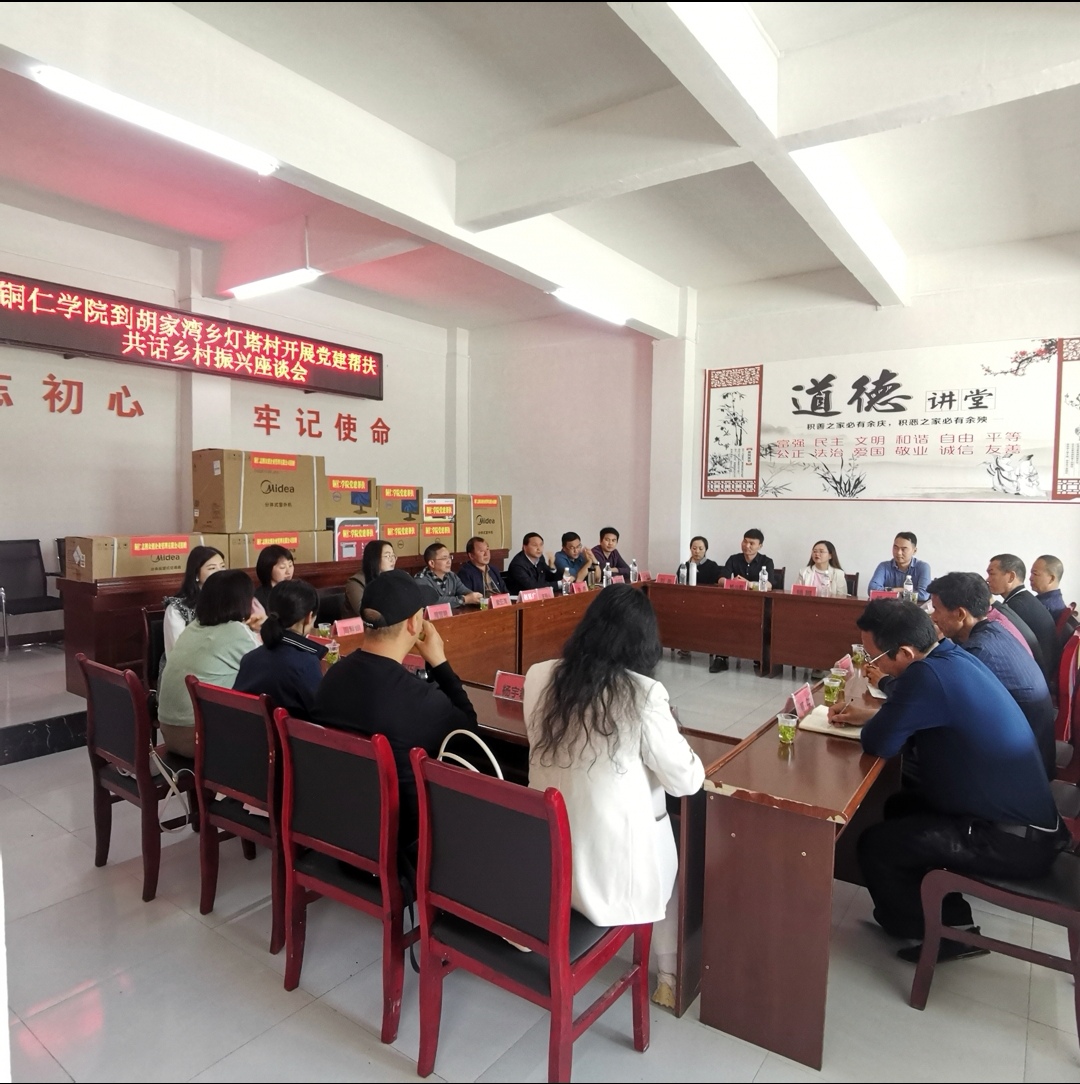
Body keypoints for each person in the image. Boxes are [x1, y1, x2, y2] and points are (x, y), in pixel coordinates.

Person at [829, 600, 1065, 962]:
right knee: (898, 805)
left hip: (1013, 842)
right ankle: (929, 910)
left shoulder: (925, 676)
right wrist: (875, 714)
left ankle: (950, 934)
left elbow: (879, 743)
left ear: (905, 653)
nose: (872, 666)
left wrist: (879, 719)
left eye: (874, 658)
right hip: (1026, 824)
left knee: (877, 844)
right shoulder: (951, 656)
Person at [523, 585, 704, 1008]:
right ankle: (669, 974)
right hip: (608, 871)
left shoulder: (539, 675)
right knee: (672, 842)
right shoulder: (644, 693)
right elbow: (685, 781)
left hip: (546, 857)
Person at [314, 570, 478, 856]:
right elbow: (468, 737)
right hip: (401, 844)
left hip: (335, 825)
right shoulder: (420, 699)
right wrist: (439, 662)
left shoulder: (332, 677)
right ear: (414, 623)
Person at [924, 572, 1055, 777]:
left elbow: (939, 704)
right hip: (1031, 751)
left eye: (937, 610)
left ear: (960, 614)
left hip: (1019, 768)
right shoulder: (995, 629)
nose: (933, 617)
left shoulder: (979, 652)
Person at [156, 569, 262, 757]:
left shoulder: (193, 627)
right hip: (200, 738)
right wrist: (265, 623)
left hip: (169, 732)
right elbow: (269, 667)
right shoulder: (237, 632)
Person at [234, 579, 327, 720]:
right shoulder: (304, 664)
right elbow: (321, 714)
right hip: (288, 734)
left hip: (247, 731)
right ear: (309, 617)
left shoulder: (249, 658)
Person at [987, 553, 1060, 683]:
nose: (987, 579)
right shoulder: (1023, 600)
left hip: (1036, 678)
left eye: (992, 574)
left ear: (1011, 577)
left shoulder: (1016, 607)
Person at [713, 529, 774, 673]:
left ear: (760, 546)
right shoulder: (734, 559)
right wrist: (731, 582)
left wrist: (748, 584)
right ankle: (721, 657)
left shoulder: (766, 562)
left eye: (752, 543)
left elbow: (769, 585)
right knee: (721, 619)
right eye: (745, 541)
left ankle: (759, 657)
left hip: (758, 606)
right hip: (735, 604)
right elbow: (721, 579)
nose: (747, 546)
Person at [162, 545, 227, 655]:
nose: (220, 572)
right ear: (196, 574)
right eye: (212, 568)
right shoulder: (177, 609)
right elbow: (178, 653)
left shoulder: (229, 601)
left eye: (222, 566)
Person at [867, 532, 930, 601]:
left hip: (912, 607)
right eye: (895, 548)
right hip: (888, 607)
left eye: (903, 549)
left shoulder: (923, 567)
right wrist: (900, 590)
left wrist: (895, 591)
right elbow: (872, 590)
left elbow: (923, 595)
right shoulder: (884, 566)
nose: (898, 552)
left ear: (914, 551)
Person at [414, 543, 481, 606]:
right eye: (444, 558)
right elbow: (433, 602)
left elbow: (464, 591)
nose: (449, 561)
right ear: (432, 563)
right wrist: (463, 600)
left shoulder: (452, 576)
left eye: (449, 557)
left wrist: (475, 597)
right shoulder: (421, 580)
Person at [343, 539, 396, 618]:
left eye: (393, 556)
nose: (392, 560)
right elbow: (364, 613)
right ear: (374, 559)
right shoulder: (355, 582)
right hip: (361, 625)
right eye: (387, 556)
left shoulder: (393, 578)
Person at [254, 544, 294, 611]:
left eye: (290, 565)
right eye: (282, 567)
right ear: (268, 569)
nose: (288, 571)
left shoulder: (298, 590)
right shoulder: (258, 598)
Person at [1030, 554, 1067, 622]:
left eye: (1035, 574)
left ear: (1051, 579)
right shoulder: (1055, 601)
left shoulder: (1045, 607)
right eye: (1031, 573)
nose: (1030, 578)